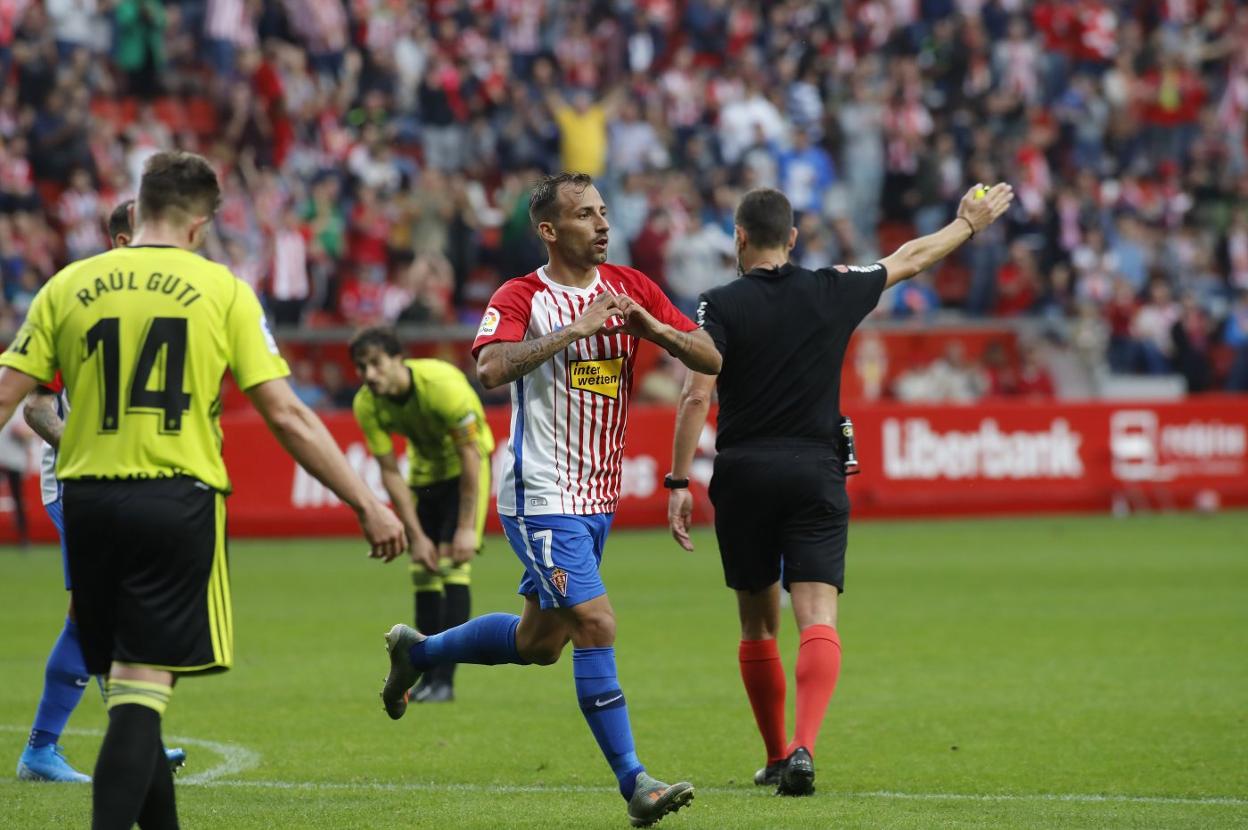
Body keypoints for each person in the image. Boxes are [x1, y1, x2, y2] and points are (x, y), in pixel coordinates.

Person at [0, 150, 406, 829]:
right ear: (199, 223)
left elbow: (10, 394)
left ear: (143, 204)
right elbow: (286, 413)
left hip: (86, 503)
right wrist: (365, 501)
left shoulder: (69, 285)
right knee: (141, 691)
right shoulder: (220, 289)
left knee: (134, 684)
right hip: (173, 498)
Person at [377, 172, 721, 827]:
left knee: (540, 643)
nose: (601, 225)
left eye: (602, 212)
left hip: (596, 499)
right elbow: (490, 368)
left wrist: (651, 325)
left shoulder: (632, 287)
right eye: (585, 215)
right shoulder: (521, 295)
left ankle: (416, 653)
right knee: (596, 624)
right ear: (548, 229)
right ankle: (636, 784)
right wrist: (574, 330)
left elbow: (708, 355)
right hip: (540, 496)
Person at [667, 184, 1014, 796]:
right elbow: (910, 257)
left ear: (739, 237)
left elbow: (697, 393)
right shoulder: (832, 288)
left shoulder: (716, 304)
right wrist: (967, 224)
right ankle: (804, 746)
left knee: (756, 625)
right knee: (818, 616)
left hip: (745, 472)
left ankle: (775, 755)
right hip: (815, 470)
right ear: (794, 238)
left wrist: (676, 479)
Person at [16, 199, 190, 783]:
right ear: (121, 243)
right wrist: (89, 452)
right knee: (97, 612)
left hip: (127, 483)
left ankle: (114, 741)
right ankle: (49, 749)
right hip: (78, 483)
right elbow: (37, 406)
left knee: (107, 611)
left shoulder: (161, 311)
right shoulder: (79, 304)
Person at [350, 325, 496, 703]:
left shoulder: (442, 385)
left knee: (453, 566)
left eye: (377, 364)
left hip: (466, 472)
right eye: (362, 367)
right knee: (423, 571)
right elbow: (389, 472)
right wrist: (415, 537)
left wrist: (466, 528)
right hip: (424, 474)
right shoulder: (367, 403)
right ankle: (427, 679)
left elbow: (470, 457)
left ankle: (445, 682)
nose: (369, 375)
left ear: (400, 358)